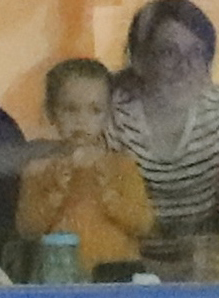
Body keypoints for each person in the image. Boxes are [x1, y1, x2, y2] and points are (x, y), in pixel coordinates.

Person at [106, 0, 219, 272]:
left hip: (207, 261)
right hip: (128, 263)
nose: (185, 66)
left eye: (196, 53)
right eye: (168, 52)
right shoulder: (110, 111)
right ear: (140, 61)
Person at [10, 54, 156, 278]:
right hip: (59, 279)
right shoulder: (39, 170)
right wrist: (53, 196)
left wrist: (111, 198)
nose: (82, 120)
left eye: (95, 110)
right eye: (70, 109)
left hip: (116, 278)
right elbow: (27, 229)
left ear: (108, 116)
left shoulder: (122, 166)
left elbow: (144, 224)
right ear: (51, 112)